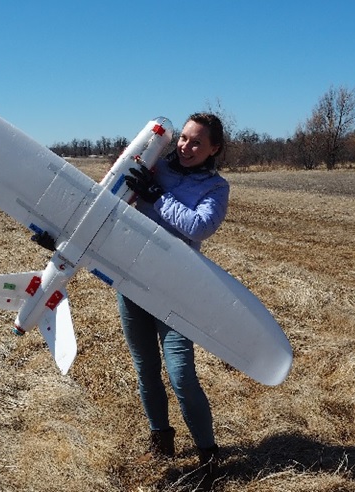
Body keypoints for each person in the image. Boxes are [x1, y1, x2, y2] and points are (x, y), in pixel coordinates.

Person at [121, 113, 229, 479]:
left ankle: (208, 453)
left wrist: (159, 197)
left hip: (176, 288)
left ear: (214, 148)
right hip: (132, 280)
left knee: (181, 375)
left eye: (197, 142)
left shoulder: (216, 188)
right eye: (183, 138)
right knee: (146, 369)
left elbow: (200, 227)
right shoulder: (154, 167)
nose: (186, 147)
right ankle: (161, 440)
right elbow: (112, 201)